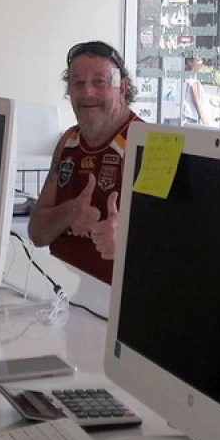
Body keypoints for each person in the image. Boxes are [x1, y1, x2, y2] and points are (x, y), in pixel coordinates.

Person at [28, 40, 140, 285]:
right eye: (78, 83)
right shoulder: (68, 141)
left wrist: (124, 243)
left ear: (121, 88)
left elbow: (173, 247)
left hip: (109, 298)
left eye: (99, 82)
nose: (87, 93)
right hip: (58, 288)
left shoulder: (144, 144)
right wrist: (69, 212)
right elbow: (37, 233)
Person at [182, 55, 209, 126]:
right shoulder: (192, 79)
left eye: (201, 60)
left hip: (187, 115)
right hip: (191, 117)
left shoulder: (187, 76)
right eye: (198, 60)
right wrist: (204, 121)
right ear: (190, 62)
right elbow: (197, 101)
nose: (201, 62)